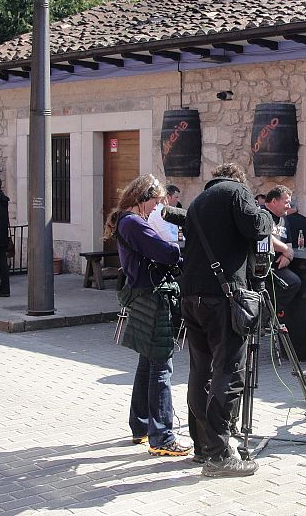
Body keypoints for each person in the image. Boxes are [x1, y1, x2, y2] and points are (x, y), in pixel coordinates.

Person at [180, 162, 271, 477]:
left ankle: (203, 446)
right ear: (239, 180)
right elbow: (256, 228)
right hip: (223, 298)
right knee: (228, 373)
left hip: (191, 297)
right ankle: (219, 455)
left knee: (199, 372)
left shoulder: (196, 203)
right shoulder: (236, 192)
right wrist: (266, 214)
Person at [104, 174, 189, 457]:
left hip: (142, 295)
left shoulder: (128, 221)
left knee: (147, 363)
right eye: (154, 201)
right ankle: (162, 437)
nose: (156, 207)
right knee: (161, 367)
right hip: (151, 297)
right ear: (142, 198)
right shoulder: (133, 223)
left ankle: (140, 426)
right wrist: (176, 250)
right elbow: (165, 252)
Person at [263, 186, 302, 316]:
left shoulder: (284, 218)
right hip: (262, 266)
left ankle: (269, 314)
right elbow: (265, 238)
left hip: (279, 264)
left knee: (294, 282)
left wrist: (287, 256)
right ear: (274, 201)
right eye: (286, 202)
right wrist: (286, 250)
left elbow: (289, 242)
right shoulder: (261, 214)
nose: (288, 206)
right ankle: (266, 315)